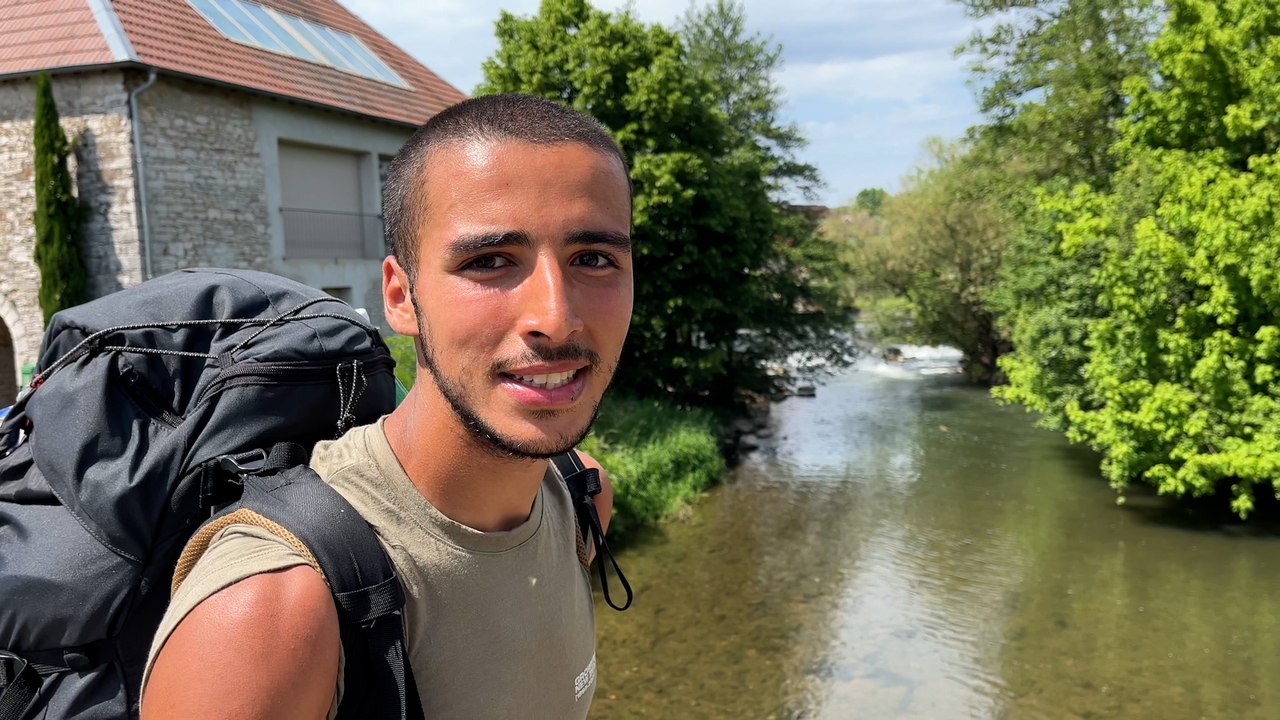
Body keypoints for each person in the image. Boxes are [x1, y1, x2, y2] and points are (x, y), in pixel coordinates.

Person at [141, 93, 634, 719]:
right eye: (489, 262)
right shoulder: (273, 609)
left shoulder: (582, 498)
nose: (556, 318)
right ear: (401, 297)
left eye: (593, 259)